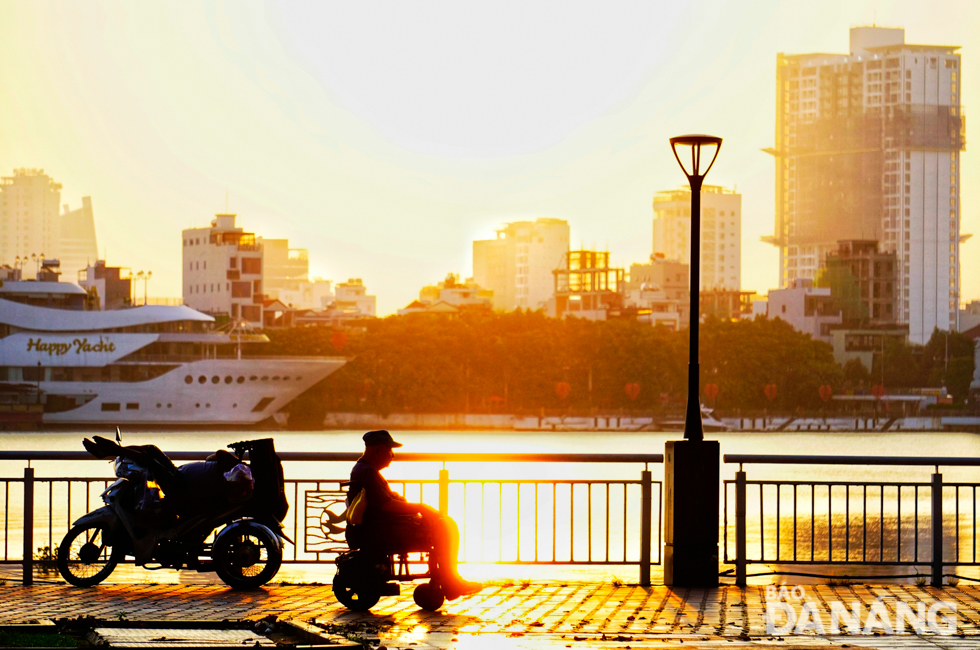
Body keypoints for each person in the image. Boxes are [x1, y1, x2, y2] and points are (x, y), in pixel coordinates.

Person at [346, 430, 481, 599]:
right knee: (445, 526)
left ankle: (450, 578)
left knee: (445, 523)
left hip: (378, 527)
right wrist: (421, 507)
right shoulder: (368, 472)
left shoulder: (364, 469)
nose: (392, 455)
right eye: (389, 450)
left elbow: (382, 500)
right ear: (378, 451)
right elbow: (386, 505)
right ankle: (450, 580)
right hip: (380, 531)